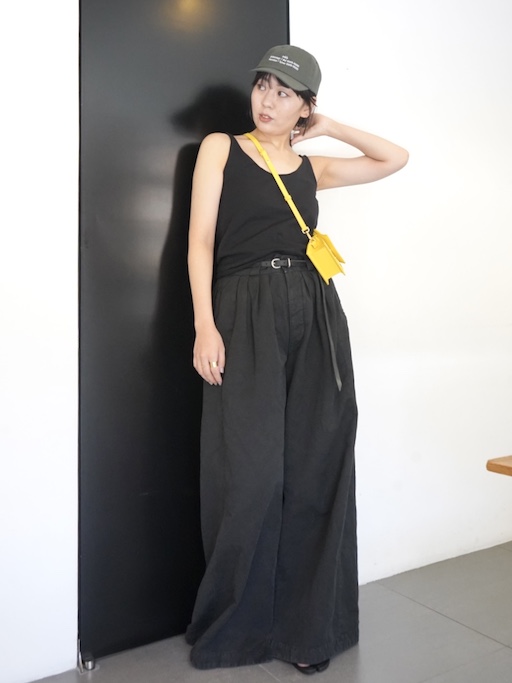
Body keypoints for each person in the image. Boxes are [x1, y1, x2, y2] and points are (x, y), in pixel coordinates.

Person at [185, 45, 408, 674]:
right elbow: (200, 242)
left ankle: (308, 633)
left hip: (316, 312)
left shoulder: (312, 167)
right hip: (244, 311)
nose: (267, 100)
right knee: (251, 476)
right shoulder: (221, 149)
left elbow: (394, 158)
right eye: (263, 85)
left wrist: (330, 126)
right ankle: (239, 630)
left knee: (317, 466)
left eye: (285, 93)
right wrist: (205, 325)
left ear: (305, 106)